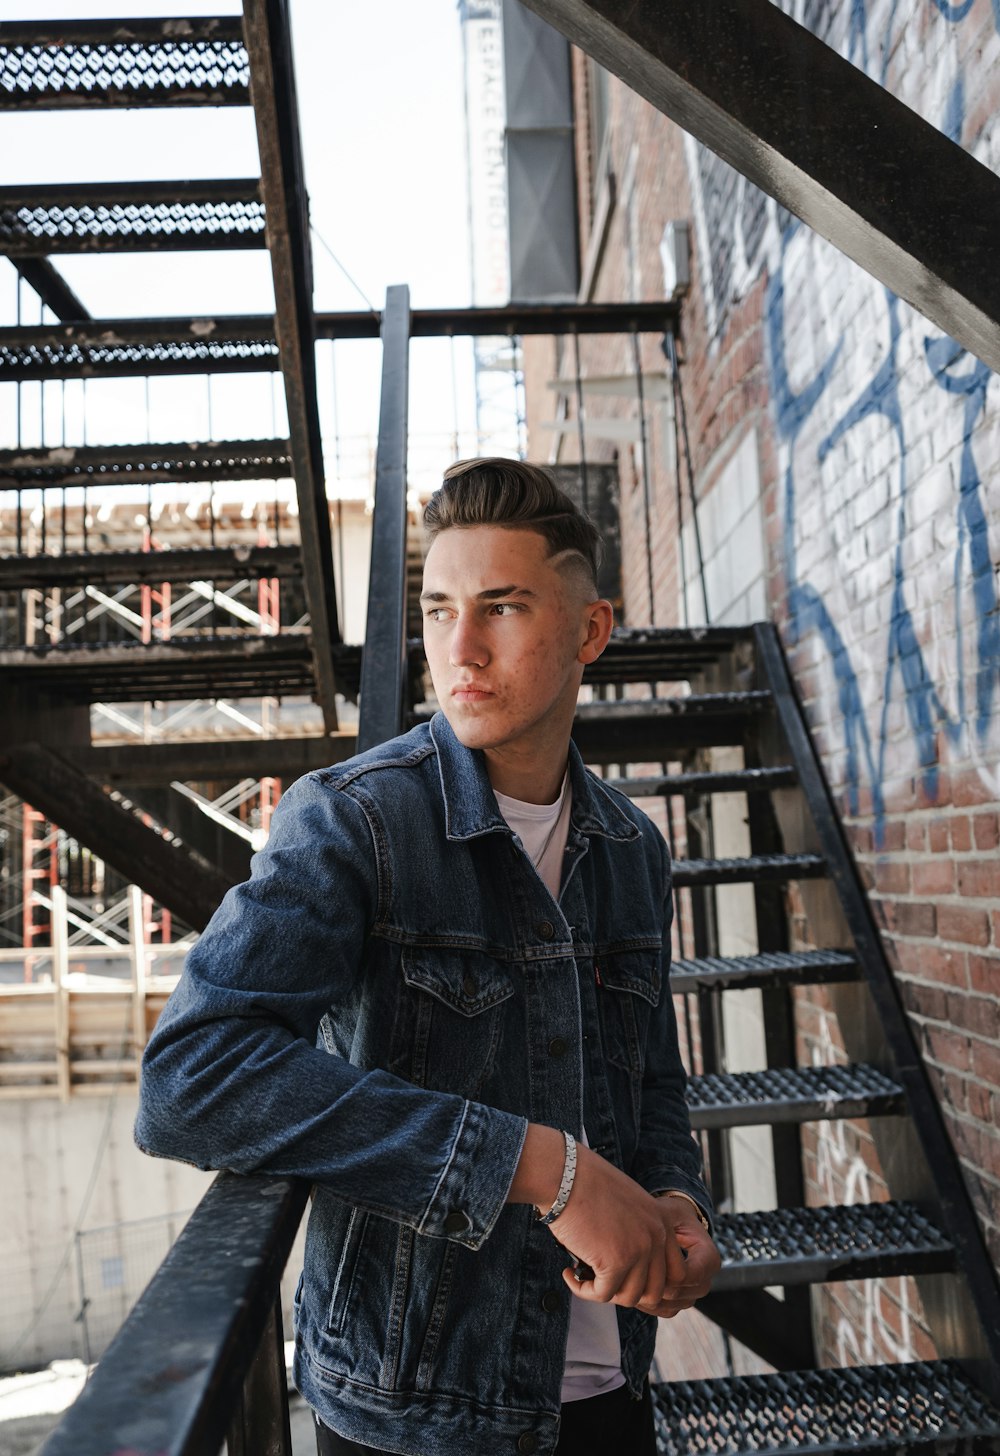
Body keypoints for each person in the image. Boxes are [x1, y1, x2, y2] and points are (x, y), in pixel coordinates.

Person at [136, 458, 720, 1456]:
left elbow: (649, 1083)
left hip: (608, 1393)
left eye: (501, 607)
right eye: (440, 608)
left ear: (588, 630)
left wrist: (675, 1210)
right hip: (412, 1417)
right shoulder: (356, 822)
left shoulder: (631, 848)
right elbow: (191, 1079)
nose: (461, 648)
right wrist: (541, 1168)